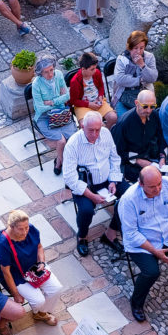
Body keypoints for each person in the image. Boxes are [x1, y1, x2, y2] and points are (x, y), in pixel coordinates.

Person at [118, 165, 168, 323]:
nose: (158, 189)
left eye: (159, 184)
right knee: (151, 272)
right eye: (152, 186)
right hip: (142, 243)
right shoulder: (129, 199)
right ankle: (136, 303)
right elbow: (131, 234)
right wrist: (156, 252)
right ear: (141, 184)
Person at [63, 110, 127, 257]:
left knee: (128, 197)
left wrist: (113, 180)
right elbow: (69, 177)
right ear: (82, 127)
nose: (95, 134)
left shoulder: (105, 133)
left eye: (97, 129)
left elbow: (114, 158)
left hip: (107, 179)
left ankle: (111, 232)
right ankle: (82, 236)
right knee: (86, 210)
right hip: (85, 185)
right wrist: (91, 196)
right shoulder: (73, 144)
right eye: (90, 130)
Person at [0, 209, 62, 326]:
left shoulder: (31, 229)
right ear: (11, 226)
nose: (25, 231)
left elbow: (40, 247)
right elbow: (6, 272)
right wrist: (15, 294)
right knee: (38, 300)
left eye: (26, 227)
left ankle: (40, 314)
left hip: (34, 268)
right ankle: (39, 311)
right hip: (17, 276)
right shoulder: (3, 243)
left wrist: (41, 262)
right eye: (21, 229)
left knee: (56, 289)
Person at [30, 54, 77, 176]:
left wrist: (52, 101)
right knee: (61, 141)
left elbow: (67, 96)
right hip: (44, 117)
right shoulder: (36, 84)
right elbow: (40, 107)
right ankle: (61, 164)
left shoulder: (59, 75)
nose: (50, 74)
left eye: (51, 70)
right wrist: (58, 99)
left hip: (61, 113)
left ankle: (59, 159)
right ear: (40, 73)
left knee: (72, 139)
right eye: (46, 72)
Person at [112, 90, 165, 182]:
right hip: (131, 162)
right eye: (145, 106)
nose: (149, 110)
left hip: (150, 156)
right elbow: (117, 152)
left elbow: (161, 137)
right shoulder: (124, 123)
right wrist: (138, 161)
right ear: (136, 103)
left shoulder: (154, 115)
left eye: (152, 106)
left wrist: (162, 157)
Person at [111, 31, 158, 118]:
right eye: (135, 48)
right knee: (125, 122)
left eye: (141, 48)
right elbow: (120, 79)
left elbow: (153, 78)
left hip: (144, 94)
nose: (138, 52)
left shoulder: (149, 57)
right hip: (124, 95)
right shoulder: (121, 59)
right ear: (130, 48)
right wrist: (139, 80)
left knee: (148, 118)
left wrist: (142, 65)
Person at [69, 51, 116, 128]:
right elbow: (74, 101)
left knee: (113, 118)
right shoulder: (75, 81)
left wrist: (100, 96)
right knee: (85, 125)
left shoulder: (96, 73)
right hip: (83, 106)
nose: (95, 71)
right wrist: (89, 104)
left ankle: (105, 131)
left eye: (95, 68)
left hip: (97, 102)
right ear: (83, 69)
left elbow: (101, 86)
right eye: (92, 69)